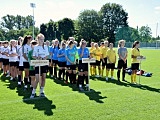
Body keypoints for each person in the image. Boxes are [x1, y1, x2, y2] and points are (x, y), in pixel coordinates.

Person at [30, 33, 49, 98]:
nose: (42, 40)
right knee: (37, 79)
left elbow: (47, 55)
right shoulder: (36, 47)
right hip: (38, 64)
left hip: (44, 63)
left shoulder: (45, 47)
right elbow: (33, 55)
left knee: (43, 78)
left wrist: (44, 58)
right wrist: (38, 58)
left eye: (43, 39)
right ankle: (33, 92)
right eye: (41, 39)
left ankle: (42, 91)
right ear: (38, 39)